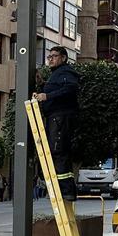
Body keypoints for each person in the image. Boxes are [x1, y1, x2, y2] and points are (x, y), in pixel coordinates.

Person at [32, 46, 80, 201]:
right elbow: (58, 88)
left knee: (58, 151)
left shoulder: (66, 72)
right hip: (55, 117)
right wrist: (42, 85)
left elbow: (70, 88)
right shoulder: (57, 75)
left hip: (61, 117)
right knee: (55, 151)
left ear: (64, 58)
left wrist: (47, 96)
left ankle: (66, 190)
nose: (50, 59)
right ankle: (62, 188)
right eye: (49, 57)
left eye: (54, 56)